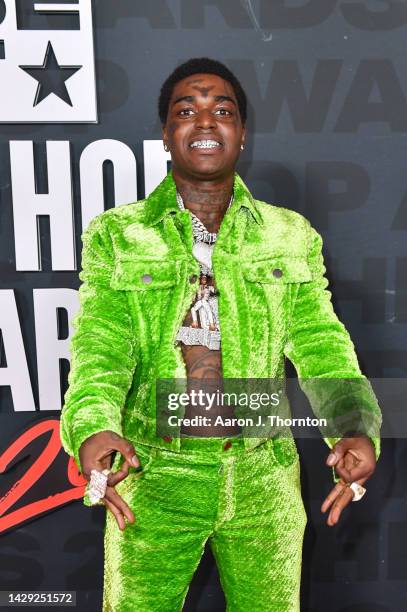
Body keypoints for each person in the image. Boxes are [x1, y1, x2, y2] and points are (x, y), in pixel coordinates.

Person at [60, 58, 382, 612]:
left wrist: (353, 427)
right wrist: (91, 428)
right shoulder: (119, 234)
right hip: (155, 475)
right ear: (165, 134)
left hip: (265, 479)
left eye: (222, 110)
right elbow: (101, 348)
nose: (205, 122)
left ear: (242, 134)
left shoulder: (289, 234)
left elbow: (321, 342)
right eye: (186, 110)